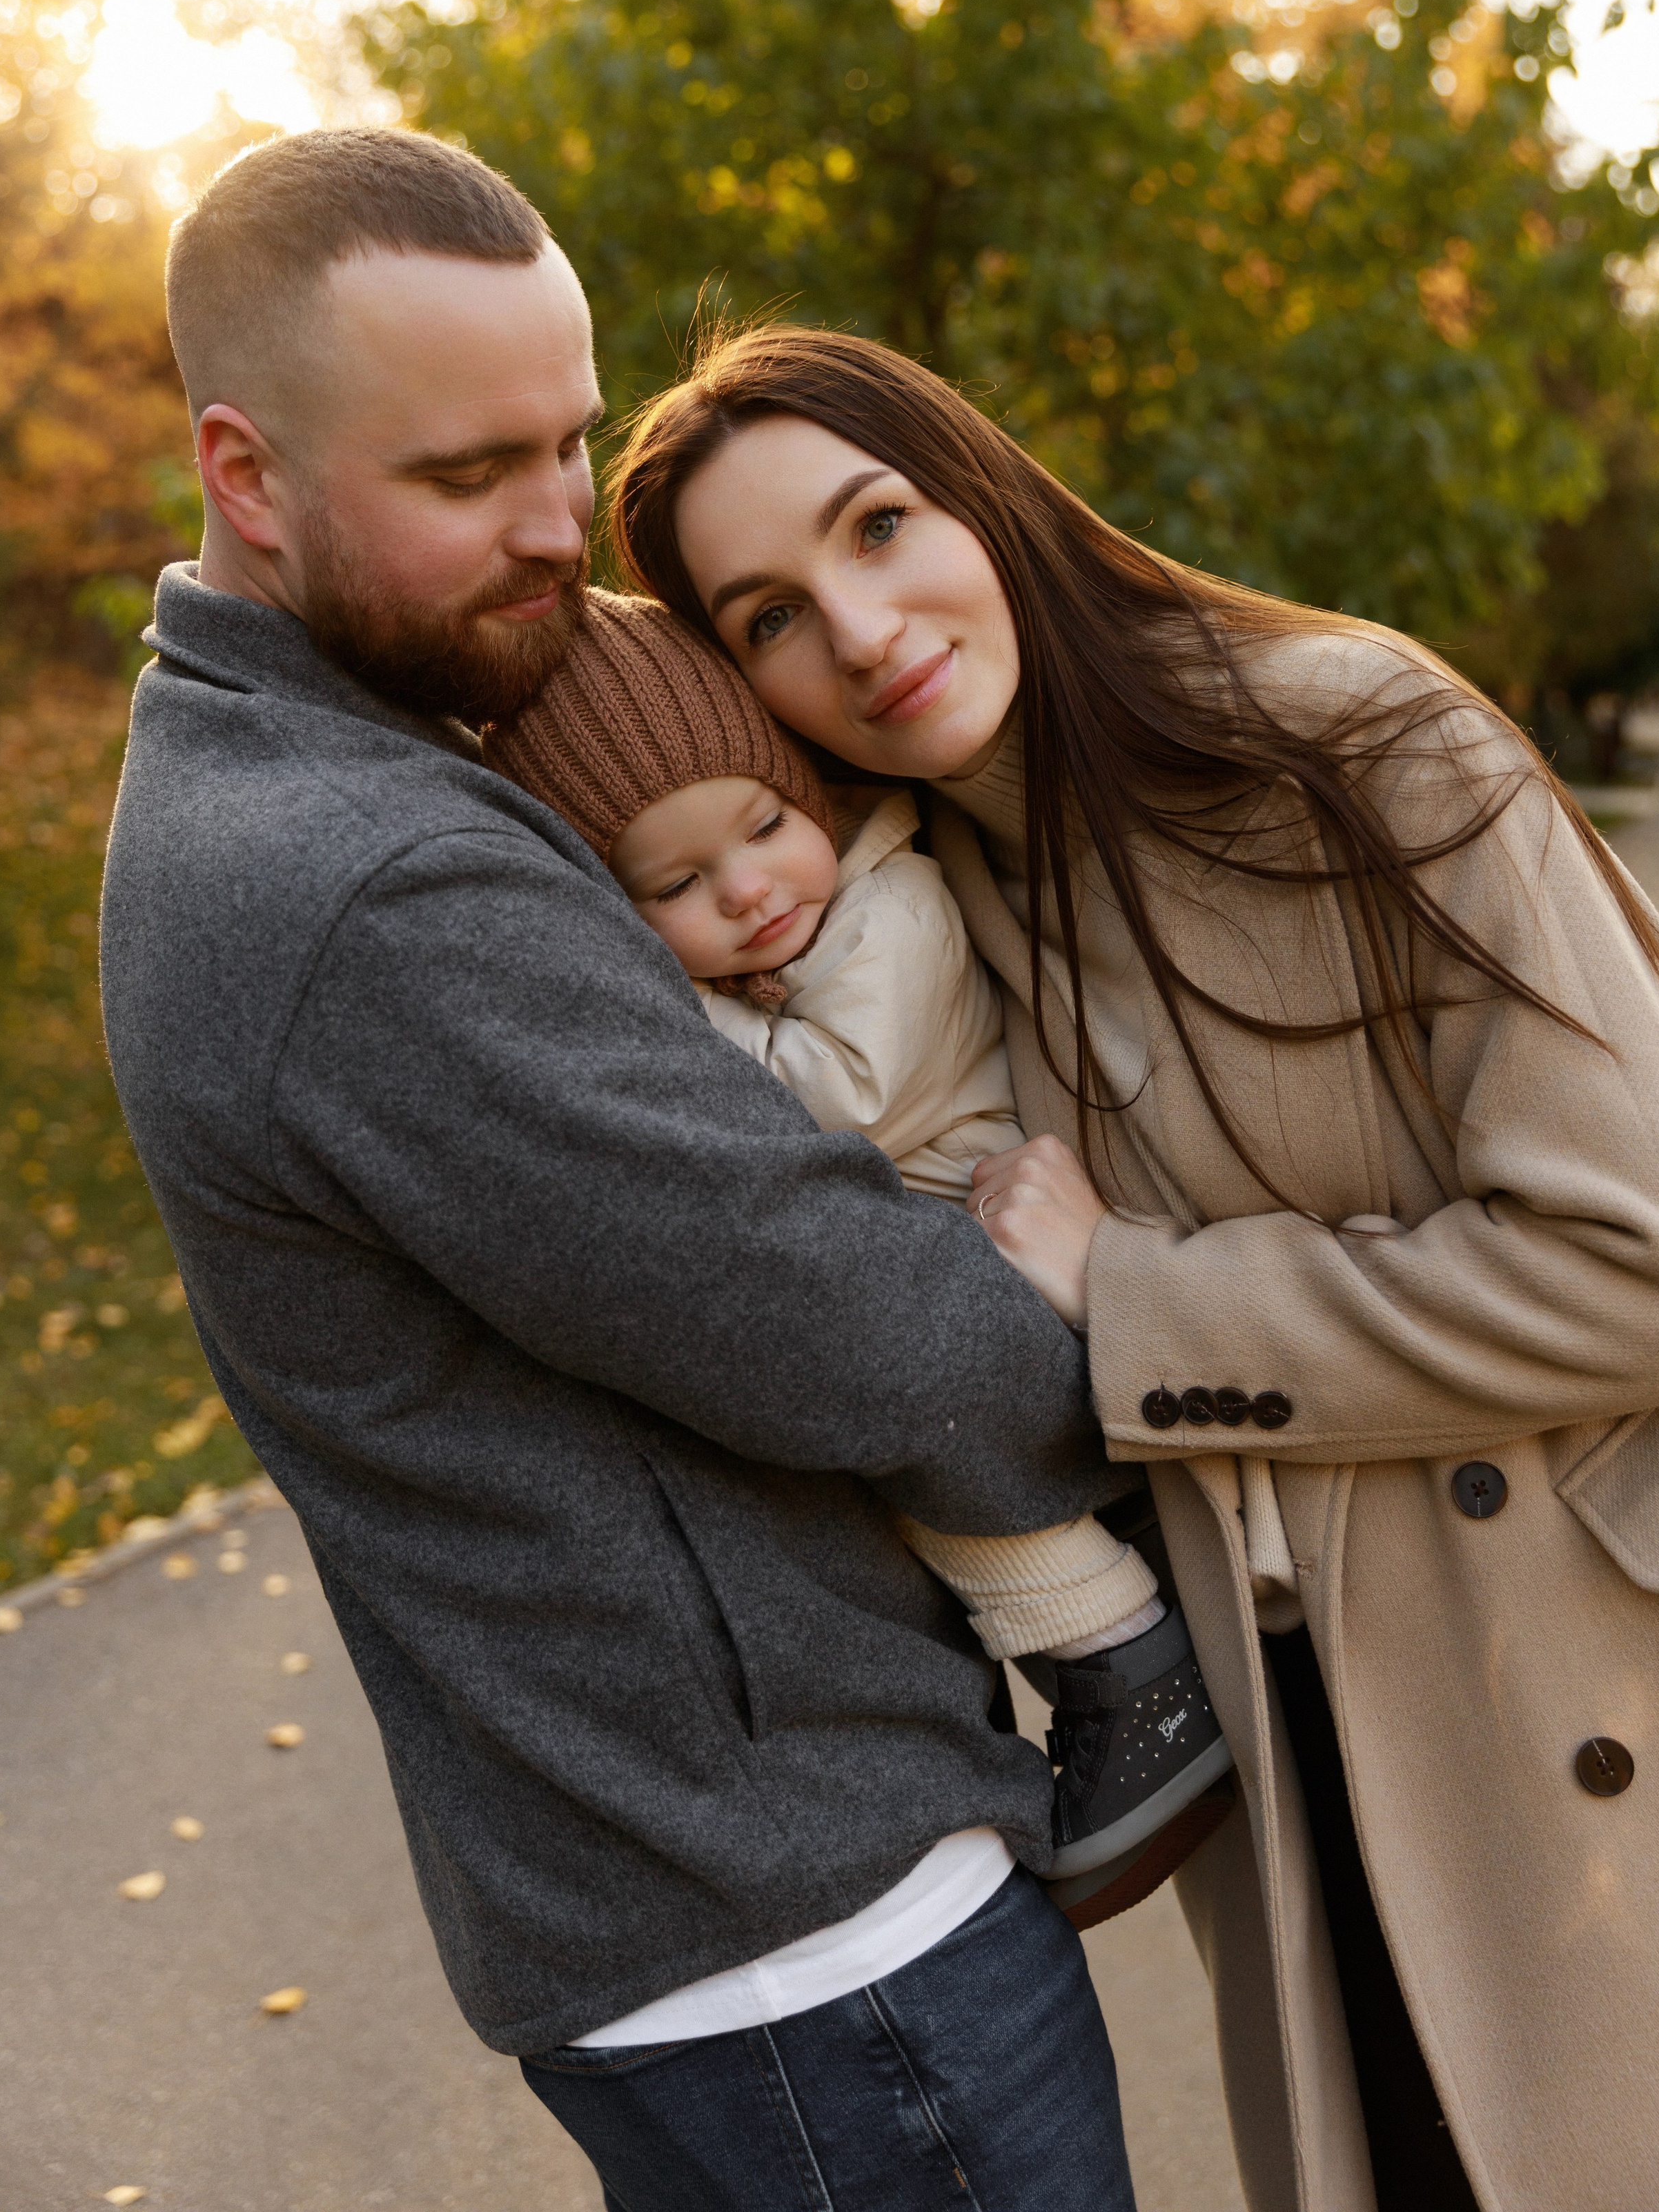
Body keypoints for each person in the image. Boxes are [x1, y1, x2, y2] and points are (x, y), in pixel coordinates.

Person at [607, 316, 1659, 2212]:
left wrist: (1136, 1296)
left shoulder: (1360, 738)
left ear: (978, 492)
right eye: (769, 617)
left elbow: (1650, 1269)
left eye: (879, 524)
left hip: (1625, 1690)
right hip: (1321, 1748)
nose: (863, 625)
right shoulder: (930, 900)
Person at [97, 130, 1146, 2212]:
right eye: (466, 472)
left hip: (739, 1910)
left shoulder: (319, 761)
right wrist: (1195, 1333)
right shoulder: (367, 875)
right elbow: (866, 1336)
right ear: (247, 474)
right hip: (805, 1941)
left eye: (568, 445)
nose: (558, 528)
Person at [482, 586, 1234, 1921]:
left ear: (806, 794)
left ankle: (1131, 1667)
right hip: (937, 1247)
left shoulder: (892, 911)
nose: (751, 888)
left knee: (914, 1435)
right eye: (678, 886)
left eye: (765, 826)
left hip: (994, 1262)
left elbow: (837, 1098)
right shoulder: (798, 937)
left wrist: (662, 1027)